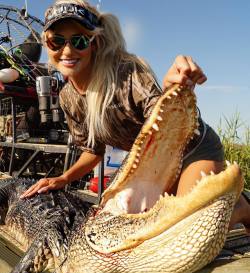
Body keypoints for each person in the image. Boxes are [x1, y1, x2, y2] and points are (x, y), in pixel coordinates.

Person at [20, 0, 250, 231]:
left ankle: (241, 207)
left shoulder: (126, 71)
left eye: (79, 40)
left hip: (190, 147)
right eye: (57, 41)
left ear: (94, 42)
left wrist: (171, 91)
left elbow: (168, 125)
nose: (67, 51)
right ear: (46, 45)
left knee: (185, 229)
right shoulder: (68, 97)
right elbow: (93, 150)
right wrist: (64, 178)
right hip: (152, 165)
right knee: (131, 230)